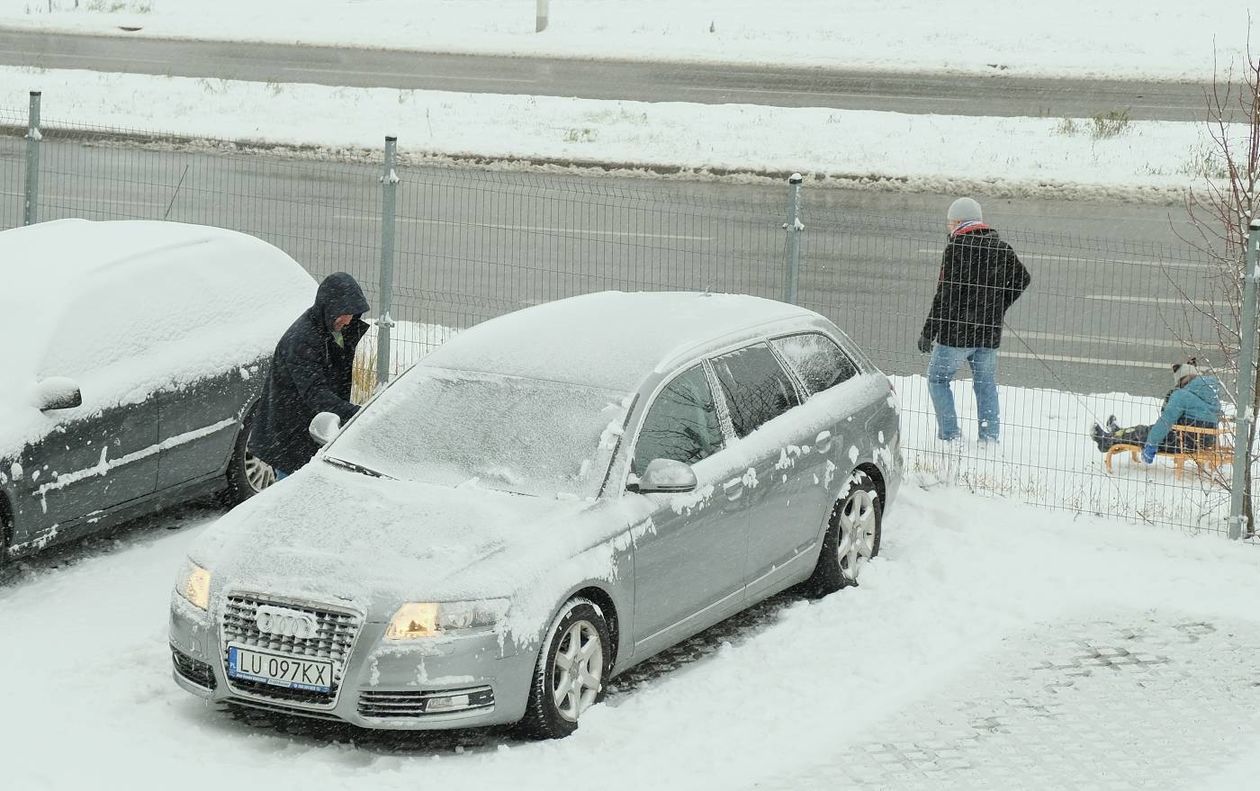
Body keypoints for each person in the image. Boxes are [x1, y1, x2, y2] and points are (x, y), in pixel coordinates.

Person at [918, 197, 1031, 443]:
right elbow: (1023, 279)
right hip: (989, 332)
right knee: (985, 384)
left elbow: (945, 295)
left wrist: (929, 331)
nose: (949, 227)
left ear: (959, 221)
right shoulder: (1001, 247)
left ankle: (950, 435)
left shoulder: (956, 248)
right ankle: (989, 438)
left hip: (956, 333)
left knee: (938, 380)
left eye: (950, 222)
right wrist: (997, 306)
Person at [249, 271, 371, 478]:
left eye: (353, 312)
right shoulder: (302, 341)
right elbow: (315, 393)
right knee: (289, 493)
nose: (349, 319)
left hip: (315, 427)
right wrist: (353, 413)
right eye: (345, 312)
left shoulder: (335, 329)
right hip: (291, 435)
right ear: (330, 308)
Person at [1091, 358, 1223, 463]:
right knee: (1148, 431)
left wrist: (1151, 443)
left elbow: (1166, 421)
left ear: (1182, 381)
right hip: (1204, 441)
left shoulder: (1182, 395)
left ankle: (1105, 441)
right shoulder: (1212, 393)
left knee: (1142, 432)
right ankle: (1117, 433)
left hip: (1185, 442)